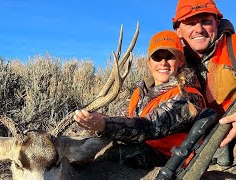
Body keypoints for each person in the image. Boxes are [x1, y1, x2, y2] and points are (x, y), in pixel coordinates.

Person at [73, 30, 206, 168]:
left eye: (169, 56)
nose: (163, 62)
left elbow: (150, 126)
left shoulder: (188, 96)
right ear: (149, 63)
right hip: (142, 151)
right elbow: (129, 123)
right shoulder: (139, 93)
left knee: (110, 159)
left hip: (172, 162)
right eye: (157, 57)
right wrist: (99, 121)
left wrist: (105, 124)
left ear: (181, 61)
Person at [172, 0, 236, 165]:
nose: (199, 29)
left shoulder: (233, 47)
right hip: (197, 145)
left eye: (205, 21)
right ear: (178, 31)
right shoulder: (171, 62)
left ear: (217, 23)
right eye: (190, 23)